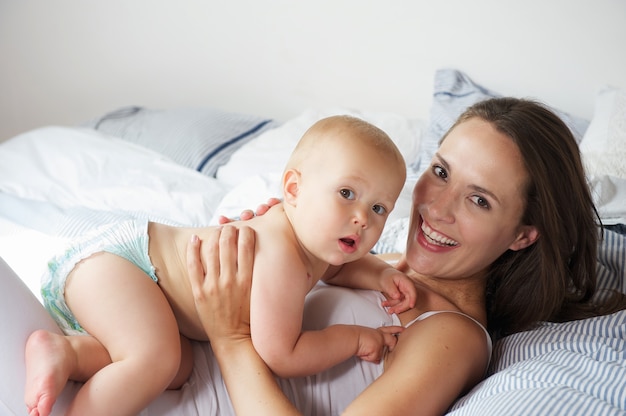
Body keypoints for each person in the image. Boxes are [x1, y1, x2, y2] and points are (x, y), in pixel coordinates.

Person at [188, 97, 626, 415]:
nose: (436, 208)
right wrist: (271, 240)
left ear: (522, 235)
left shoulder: (451, 337)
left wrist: (232, 339)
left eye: (479, 200)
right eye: (440, 173)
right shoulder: (363, 258)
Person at [24, 115, 412, 416]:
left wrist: (381, 273)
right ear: (293, 189)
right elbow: (284, 354)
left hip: (137, 279)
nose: (363, 217)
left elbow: (339, 267)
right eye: (347, 193)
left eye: (379, 208)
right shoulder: (282, 258)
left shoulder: (313, 242)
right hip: (125, 266)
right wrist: (357, 338)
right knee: (154, 359)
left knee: (179, 367)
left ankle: (70, 354)